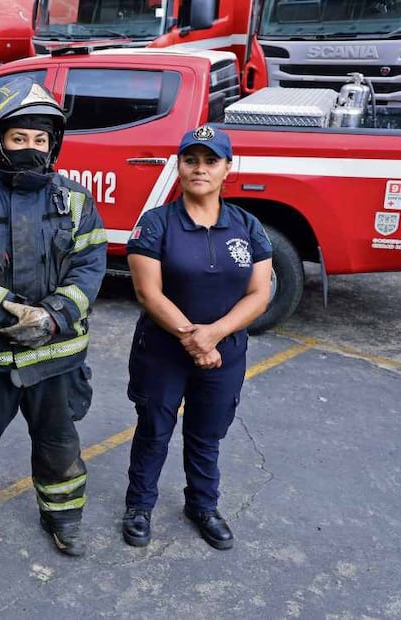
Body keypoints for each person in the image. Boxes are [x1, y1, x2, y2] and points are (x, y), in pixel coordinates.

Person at [0, 77, 108, 574]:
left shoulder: (74, 200)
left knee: (60, 449)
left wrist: (52, 316)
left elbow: (91, 264)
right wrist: (6, 308)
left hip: (56, 358)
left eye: (39, 139)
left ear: (53, 144)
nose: (30, 148)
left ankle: (64, 519)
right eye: (18, 138)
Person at [120, 125, 273, 551]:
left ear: (228, 168)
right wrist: (193, 338)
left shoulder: (247, 225)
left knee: (208, 434)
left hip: (225, 354)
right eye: (191, 160)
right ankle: (139, 507)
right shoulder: (155, 224)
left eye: (210, 161)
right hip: (162, 352)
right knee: (153, 430)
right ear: (179, 166)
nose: (199, 169)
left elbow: (260, 293)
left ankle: (203, 506)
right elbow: (147, 292)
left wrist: (215, 335)